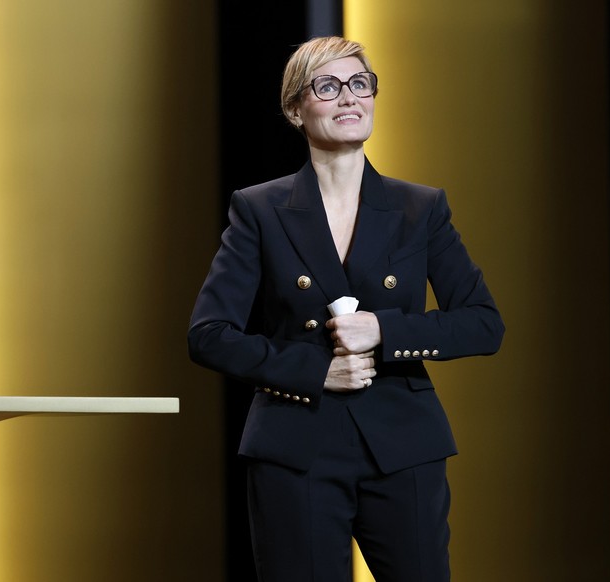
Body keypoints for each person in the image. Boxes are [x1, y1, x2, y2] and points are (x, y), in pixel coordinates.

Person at [188, 35, 504, 582]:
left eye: (360, 84)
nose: (348, 98)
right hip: (295, 445)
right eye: (327, 86)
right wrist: (318, 370)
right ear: (295, 108)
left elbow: (483, 323)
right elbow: (209, 334)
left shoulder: (420, 207)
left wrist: (384, 329)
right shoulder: (259, 209)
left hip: (403, 443)